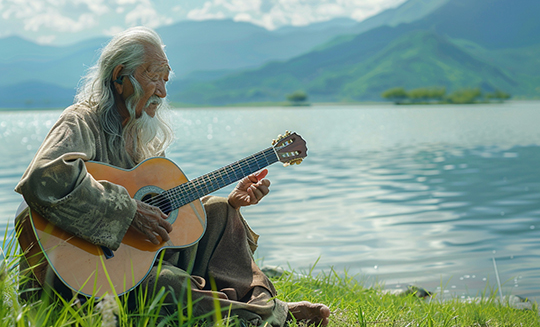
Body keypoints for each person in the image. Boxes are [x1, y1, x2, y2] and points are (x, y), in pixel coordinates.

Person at [15, 26, 330, 326]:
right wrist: (127, 211)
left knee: (220, 210)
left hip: (139, 261)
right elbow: (44, 177)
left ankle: (256, 303)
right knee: (166, 284)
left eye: (166, 81)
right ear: (119, 76)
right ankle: (266, 315)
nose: (163, 92)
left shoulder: (143, 136)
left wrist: (235, 201)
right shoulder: (82, 120)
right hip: (79, 280)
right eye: (153, 78)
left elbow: (166, 206)